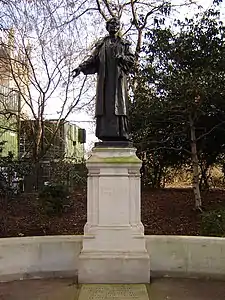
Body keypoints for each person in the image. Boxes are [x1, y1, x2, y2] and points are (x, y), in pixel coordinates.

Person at [73, 17, 135, 142]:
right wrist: (80, 67)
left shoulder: (125, 44)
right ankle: (105, 132)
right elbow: (93, 59)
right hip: (105, 82)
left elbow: (132, 60)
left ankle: (121, 132)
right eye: (111, 24)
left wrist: (122, 58)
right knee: (105, 106)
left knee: (119, 106)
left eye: (116, 24)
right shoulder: (101, 45)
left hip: (118, 81)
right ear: (107, 27)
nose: (113, 26)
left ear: (118, 27)